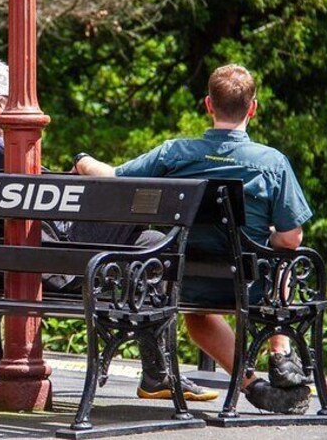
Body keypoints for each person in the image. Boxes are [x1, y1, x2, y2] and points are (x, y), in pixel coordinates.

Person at [0, 59, 217, 402]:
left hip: (13, 264)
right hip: (51, 269)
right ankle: (156, 374)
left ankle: (157, 375)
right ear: (2, 106)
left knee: (152, 246)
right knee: (140, 209)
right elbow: (61, 194)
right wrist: (84, 162)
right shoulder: (2, 153)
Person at [73, 64, 312, 414]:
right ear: (253, 108)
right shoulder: (271, 162)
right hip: (248, 285)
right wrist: (269, 238)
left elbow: (113, 177)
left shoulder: (174, 154)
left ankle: (252, 385)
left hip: (181, 283)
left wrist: (83, 161)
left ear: (208, 105)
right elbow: (291, 239)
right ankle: (280, 350)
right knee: (288, 263)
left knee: (198, 317)